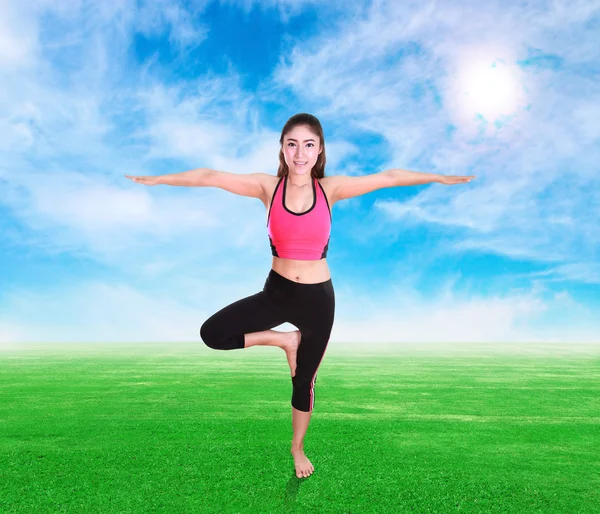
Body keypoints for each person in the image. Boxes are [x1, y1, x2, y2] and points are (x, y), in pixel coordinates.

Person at [125, 112, 475, 479]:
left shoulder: (330, 189)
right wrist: (161, 179)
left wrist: (437, 177)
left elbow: (388, 178)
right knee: (212, 334)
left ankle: (297, 448)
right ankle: (283, 340)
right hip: (277, 293)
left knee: (303, 381)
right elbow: (210, 177)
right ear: (282, 148)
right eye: (292, 144)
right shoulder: (267, 187)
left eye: (308, 145)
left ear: (320, 149)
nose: (300, 153)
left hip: (318, 301)